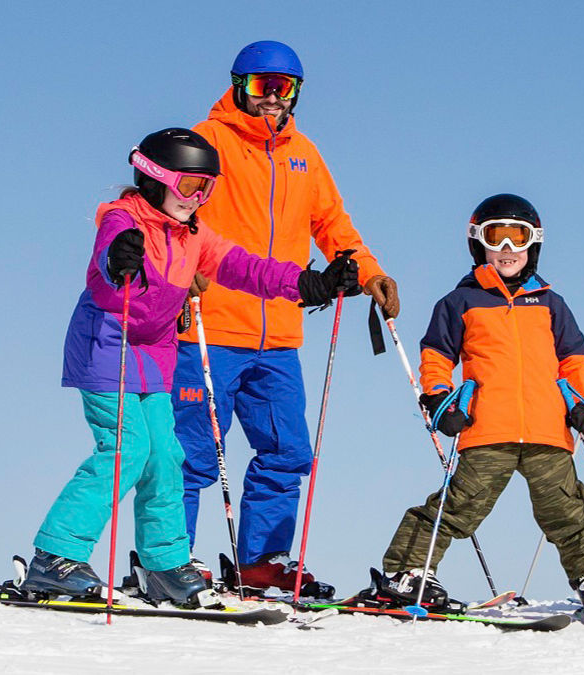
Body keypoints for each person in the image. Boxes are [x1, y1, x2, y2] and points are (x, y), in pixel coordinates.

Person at [17, 127, 358, 609]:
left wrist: (308, 283)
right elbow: (108, 251)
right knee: (126, 449)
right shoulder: (124, 218)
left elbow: (246, 267)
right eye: (190, 186)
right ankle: (56, 555)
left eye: (207, 188)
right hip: (107, 347)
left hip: (154, 354)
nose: (198, 198)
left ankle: (165, 566)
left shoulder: (194, 233)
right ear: (155, 179)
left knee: (166, 457)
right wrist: (119, 258)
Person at [177, 39, 398, 595]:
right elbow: (174, 214)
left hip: (278, 335)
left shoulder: (306, 154)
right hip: (209, 325)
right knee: (194, 453)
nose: (272, 98)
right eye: (260, 86)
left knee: (287, 452)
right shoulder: (208, 142)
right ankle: (168, 559)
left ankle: (261, 564)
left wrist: (368, 273)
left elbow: (333, 226)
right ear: (237, 86)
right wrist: (179, 275)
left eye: (283, 88)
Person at [360, 195, 584, 624]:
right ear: (477, 243)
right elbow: (435, 356)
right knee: (460, 504)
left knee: (568, 509)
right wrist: (440, 398)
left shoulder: (550, 303)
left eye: (516, 237)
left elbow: (573, 362)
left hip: (546, 430)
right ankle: (409, 571)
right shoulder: (460, 302)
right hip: (487, 426)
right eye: (495, 236)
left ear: (533, 244)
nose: (506, 248)